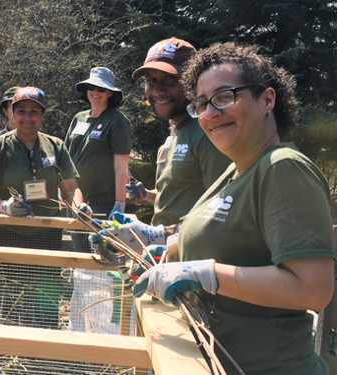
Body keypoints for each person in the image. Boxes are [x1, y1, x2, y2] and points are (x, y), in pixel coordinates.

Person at [133, 43, 335, 374]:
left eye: (225, 97)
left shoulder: (283, 167)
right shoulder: (236, 169)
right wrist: (162, 248)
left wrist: (206, 273)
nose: (210, 112)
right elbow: (231, 243)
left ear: (267, 99)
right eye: (200, 104)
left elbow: (313, 289)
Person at [0, 86, 87, 328]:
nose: (27, 117)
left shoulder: (55, 146)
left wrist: (79, 208)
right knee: (6, 299)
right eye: (21, 111)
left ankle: (42, 352)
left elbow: (70, 188)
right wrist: (4, 206)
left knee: (44, 300)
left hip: (46, 233)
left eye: (34, 111)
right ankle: (1, 354)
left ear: (42, 115)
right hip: (5, 234)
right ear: (12, 114)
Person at [128, 38, 231, 228]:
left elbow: (222, 210)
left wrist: (163, 235)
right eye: (151, 80)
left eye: (169, 79)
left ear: (192, 82)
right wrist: (146, 195)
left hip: (194, 255)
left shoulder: (207, 131)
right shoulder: (176, 133)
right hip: (169, 253)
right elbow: (176, 199)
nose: (158, 90)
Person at [64, 67, 132, 252]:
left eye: (101, 89)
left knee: (103, 257)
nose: (96, 92)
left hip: (103, 205)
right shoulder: (78, 118)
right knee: (80, 255)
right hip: (77, 203)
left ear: (110, 92)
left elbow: (121, 167)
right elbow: (67, 159)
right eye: (92, 87)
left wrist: (119, 205)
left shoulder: (117, 121)